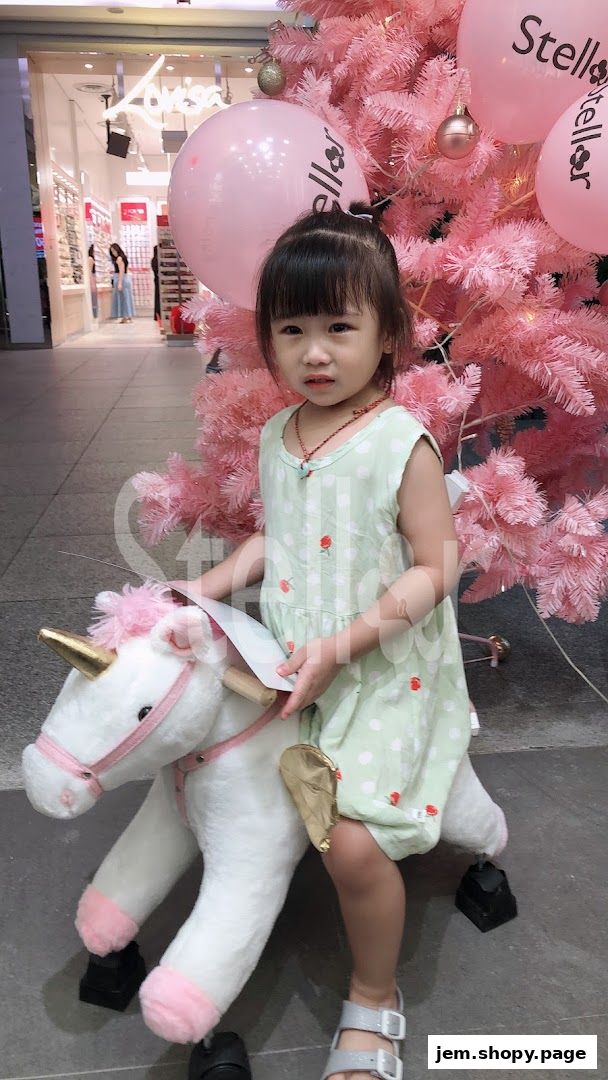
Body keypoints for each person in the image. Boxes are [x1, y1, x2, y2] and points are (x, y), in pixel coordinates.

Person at [172, 203, 472, 1080]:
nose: (314, 352)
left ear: (386, 335)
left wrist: (345, 646)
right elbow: (283, 537)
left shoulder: (399, 444)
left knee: (350, 845)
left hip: (386, 667)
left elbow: (437, 567)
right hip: (295, 654)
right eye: (292, 329)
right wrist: (208, 585)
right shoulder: (279, 433)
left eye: (340, 327)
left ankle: (375, 996)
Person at [109, 242, 135, 323]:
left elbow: (121, 271)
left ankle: (125, 316)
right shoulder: (123, 258)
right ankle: (128, 316)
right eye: (112, 251)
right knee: (126, 297)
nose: (113, 253)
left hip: (121, 279)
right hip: (124, 278)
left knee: (123, 298)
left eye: (114, 251)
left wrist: (120, 283)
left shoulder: (119, 259)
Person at [151, 244, 161, 324]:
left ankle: (157, 314)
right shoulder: (158, 260)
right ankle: (159, 313)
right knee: (159, 297)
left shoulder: (153, 260)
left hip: (156, 280)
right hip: (159, 280)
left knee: (157, 297)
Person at [88, 243, 98, 319]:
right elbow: (89, 270)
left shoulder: (92, 258)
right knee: (93, 296)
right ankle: (94, 314)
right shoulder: (90, 259)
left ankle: (95, 314)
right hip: (91, 278)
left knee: (94, 296)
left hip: (93, 278)